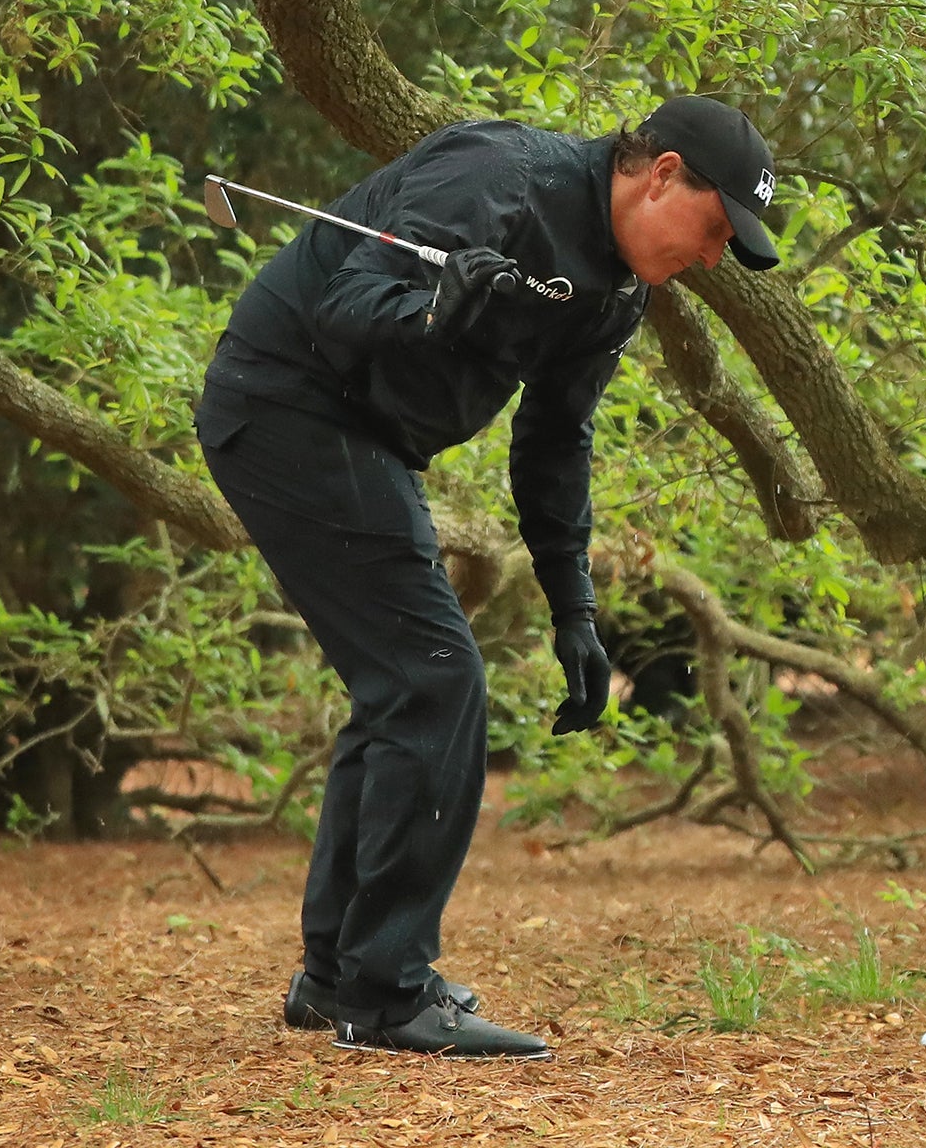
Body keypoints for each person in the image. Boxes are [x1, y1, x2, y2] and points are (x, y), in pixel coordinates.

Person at [194, 96, 780, 1059]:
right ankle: (383, 994)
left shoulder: (619, 292)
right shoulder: (500, 179)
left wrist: (573, 608)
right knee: (434, 681)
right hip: (285, 404)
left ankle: (340, 974)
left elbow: (554, 441)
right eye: (716, 229)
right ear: (663, 173)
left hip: (364, 439)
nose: (715, 257)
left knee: (403, 688)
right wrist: (432, 304)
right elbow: (346, 305)